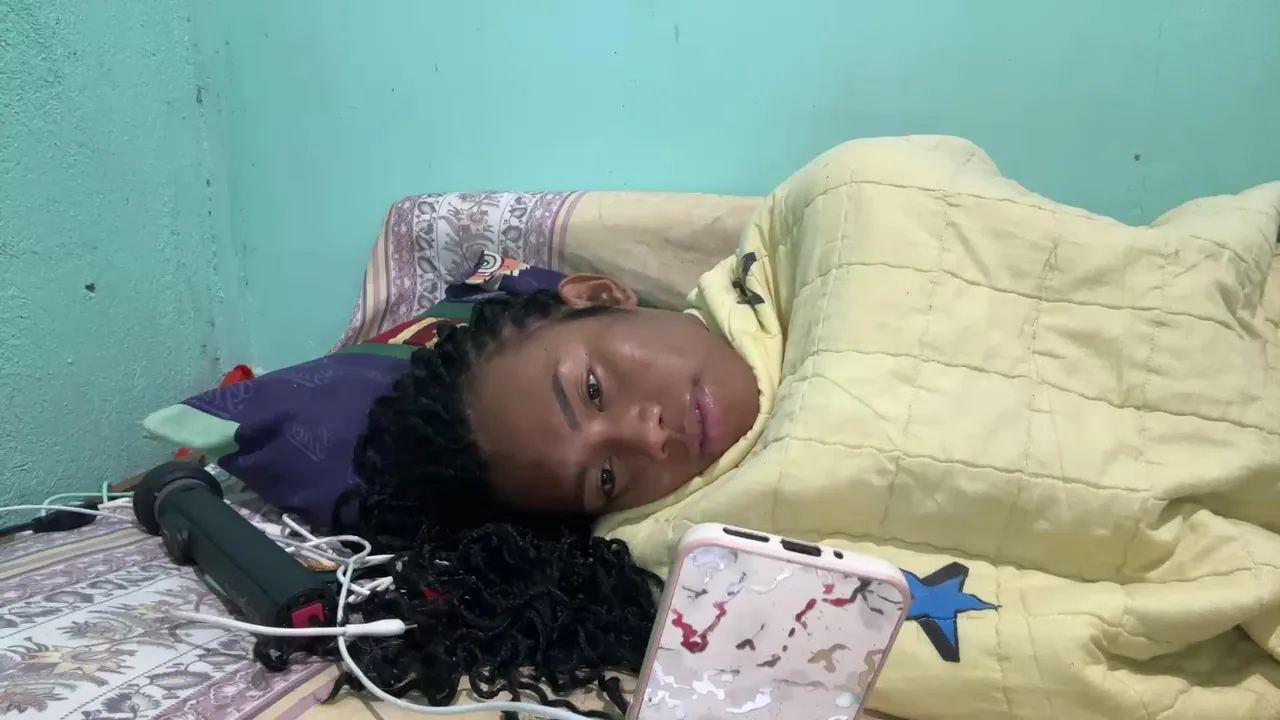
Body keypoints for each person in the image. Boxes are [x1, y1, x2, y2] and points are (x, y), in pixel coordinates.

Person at [346, 136, 1280, 720]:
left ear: (599, 295)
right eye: (605, 478)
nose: (648, 435)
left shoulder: (836, 214)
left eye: (592, 390)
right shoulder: (707, 567)